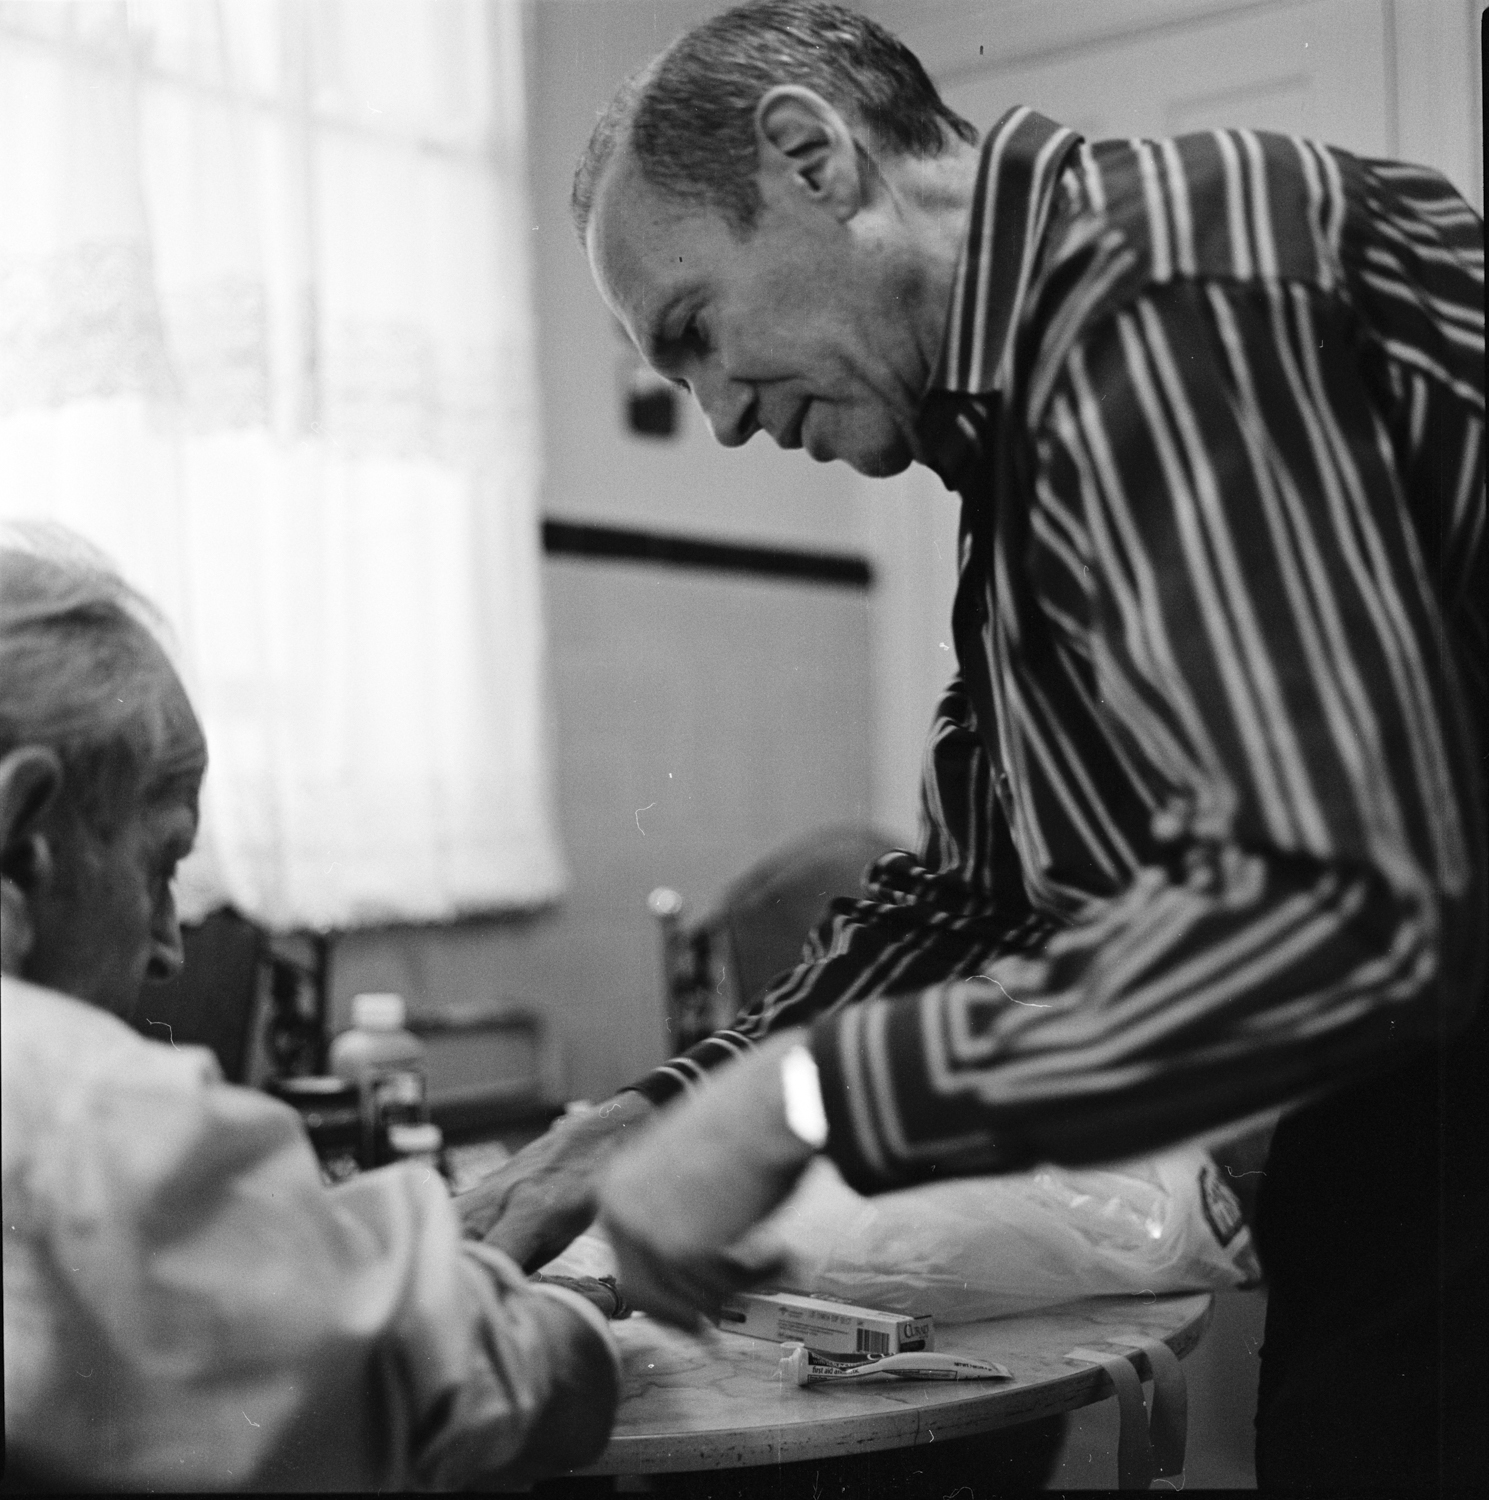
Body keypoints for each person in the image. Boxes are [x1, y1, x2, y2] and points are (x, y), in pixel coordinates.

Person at [461, 1, 1485, 1488]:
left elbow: (1336, 903)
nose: (723, 418)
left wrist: (811, 1104)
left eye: (695, 332)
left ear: (811, 155)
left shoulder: (1166, 272)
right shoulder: (1019, 453)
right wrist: (644, 1114)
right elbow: (975, 891)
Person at [0, 527, 620, 1492]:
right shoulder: (78, 1108)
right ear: (21, 835)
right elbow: (451, 1383)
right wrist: (579, 1295)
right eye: (160, 865)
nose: (168, 946)